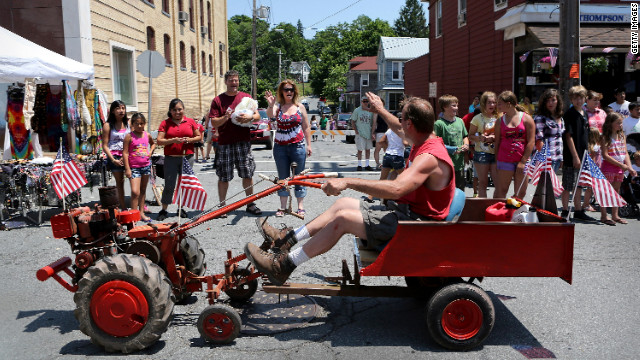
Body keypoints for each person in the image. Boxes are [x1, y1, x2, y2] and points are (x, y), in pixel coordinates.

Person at [245, 93, 455, 286]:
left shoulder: (429, 157)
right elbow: (399, 128)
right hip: (407, 216)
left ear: (410, 123)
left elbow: (397, 188)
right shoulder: (426, 137)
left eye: (402, 120)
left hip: (415, 227)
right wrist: (380, 110)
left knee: (343, 219)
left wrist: (347, 181)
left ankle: (284, 266)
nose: (398, 125)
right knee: (342, 204)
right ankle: (286, 240)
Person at [209, 70, 262, 216]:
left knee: (247, 173)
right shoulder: (218, 100)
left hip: (243, 142)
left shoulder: (246, 97)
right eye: (231, 80)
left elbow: (257, 115)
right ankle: (222, 207)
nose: (234, 83)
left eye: (236, 80)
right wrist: (225, 117)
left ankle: (250, 204)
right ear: (225, 82)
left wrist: (249, 118)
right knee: (224, 176)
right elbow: (214, 121)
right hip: (225, 142)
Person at [264, 80, 312, 217]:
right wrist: (270, 104)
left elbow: (306, 127)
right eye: (286, 90)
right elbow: (269, 114)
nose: (289, 92)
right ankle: (283, 207)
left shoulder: (300, 107)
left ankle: (300, 206)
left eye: (291, 89)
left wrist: (309, 145)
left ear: (294, 91)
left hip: (298, 146)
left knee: (299, 176)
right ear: (282, 92)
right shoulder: (277, 107)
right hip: (280, 147)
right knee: (283, 177)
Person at [156, 98, 201, 221]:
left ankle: (181, 208)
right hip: (171, 158)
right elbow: (159, 141)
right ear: (170, 111)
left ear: (183, 109)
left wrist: (189, 140)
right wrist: (173, 140)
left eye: (180, 109)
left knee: (184, 184)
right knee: (169, 185)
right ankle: (164, 209)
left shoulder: (190, 121)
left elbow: (199, 136)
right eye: (174, 110)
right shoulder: (165, 123)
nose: (177, 112)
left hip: (187, 158)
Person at [493, 91, 535, 199]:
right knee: (501, 192)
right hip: (504, 160)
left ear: (509, 104)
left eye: (499, 103)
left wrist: (523, 161)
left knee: (520, 193)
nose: (498, 106)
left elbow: (531, 142)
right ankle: (499, 214)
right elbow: (497, 142)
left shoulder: (527, 119)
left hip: (522, 160)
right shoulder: (499, 121)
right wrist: (496, 161)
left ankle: (516, 214)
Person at [560, 85, 594, 221]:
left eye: (581, 98)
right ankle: (564, 210)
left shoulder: (584, 113)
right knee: (568, 184)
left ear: (585, 98)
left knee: (579, 184)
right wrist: (575, 156)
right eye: (575, 98)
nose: (578, 101)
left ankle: (578, 210)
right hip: (572, 155)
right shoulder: (570, 114)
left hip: (583, 153)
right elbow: (568, 136)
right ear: (571, 99)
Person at [599, 112, 637, 225]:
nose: (620, 125)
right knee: (606, 192)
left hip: (620, 168)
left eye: (621, 123)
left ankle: (615, 215)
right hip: (608, 167)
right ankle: (604, 215)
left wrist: (629, 167)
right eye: (618, 123)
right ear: (610, 123)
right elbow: (605, 155)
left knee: (616, 192)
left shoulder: (621, 136)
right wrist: (621, 165)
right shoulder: (605, 137)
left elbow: (625, 153)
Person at [123, 113, 156, 222]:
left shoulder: (147, 135)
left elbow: (153, 144)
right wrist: (127, 169)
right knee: (135, 191)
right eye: (137, 124)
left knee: (142, 191)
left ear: (144, 124)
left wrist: (150, 152)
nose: (139, 126)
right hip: (134, 168)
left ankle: (141, 213)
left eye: (141, 123)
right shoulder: (129, 136)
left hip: (145, 166)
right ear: (132, 124)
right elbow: (125, 153)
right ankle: (133, 214)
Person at [435, 94, 469, 190]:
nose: (456, 108)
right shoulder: (439, 124)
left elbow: (465, 136)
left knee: (460, 188)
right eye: (453, 105)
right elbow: (436, 143)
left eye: (457, 105)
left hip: (459, 163)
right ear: (445, 107)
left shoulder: (460, 121)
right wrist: (451, 149)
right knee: (447, 189)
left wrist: (466, 144)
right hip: (445, 164)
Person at [366, 123, 406, 203]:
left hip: (387, 155)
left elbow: (381, 141)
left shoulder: (389, 130)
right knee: (405, 177)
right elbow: (406, 143)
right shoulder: (402, 131)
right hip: (397, 156)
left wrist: (388, 146)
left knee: (382, 179)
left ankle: (371, 196)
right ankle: (402, 198)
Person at [469, 91, 498, 198]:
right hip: (481, 154)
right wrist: (479, 138)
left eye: (494, 102)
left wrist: (494, 138)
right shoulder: (477, 118)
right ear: (483, 104)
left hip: (497, 153)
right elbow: (470, 136)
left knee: (498, 184)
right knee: (483, 183)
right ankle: (483, 208)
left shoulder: (499, 117)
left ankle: (496, 208)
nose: (492, 105)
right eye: (489, 103)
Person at [102, 100, 130, 209]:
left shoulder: (129, 123)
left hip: (127, 155)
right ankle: (123, 207)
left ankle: (138, 205)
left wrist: (125, 156)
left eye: (123, 108)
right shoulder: (108, 125)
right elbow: (105, 145)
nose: (121, 110)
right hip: (115, 156)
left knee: (135, 180)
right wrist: (113, 160)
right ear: (113, 111)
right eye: (118, 108)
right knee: (120, 182)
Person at [533, 88, 565, 172]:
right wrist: (545, 159)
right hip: (546, 158)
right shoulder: (540, 118)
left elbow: (560, 139)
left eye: (553, 100)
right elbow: (539, 140)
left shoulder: (560, 118)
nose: (550, 103)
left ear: (558, 101)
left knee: (550, 184)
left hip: (557, 157)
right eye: (547, 101)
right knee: (545, 184)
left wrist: (561, 158)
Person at [350, 96, 377, 171]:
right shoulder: (357, 110)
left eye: (366, 101)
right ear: (361, 102)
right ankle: (359, 165)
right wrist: (355, 130)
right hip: (360, 133)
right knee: (360, 150)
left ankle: (367, 165)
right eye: (364, 101)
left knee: (368, 149)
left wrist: (372, 133)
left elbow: (372, 122)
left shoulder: (370, 111)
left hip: (368, 132)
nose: (365, 103)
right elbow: (353, 120)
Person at [581, 127, 602, 212]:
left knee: (590, 188)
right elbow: (592, 159)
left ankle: (587, 203)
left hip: (593, 169)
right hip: (594, 169)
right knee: (590, 188)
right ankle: (586, 204)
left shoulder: (589, 145)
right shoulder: (595, 146)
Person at [373, 100, 389, 169]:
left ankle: (382, 164)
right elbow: (374, 123)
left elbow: (374, 123)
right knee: (380, 149)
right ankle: (378, 164)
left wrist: (372, 132)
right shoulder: (384, 112)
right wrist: (373, 132)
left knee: (382, 149)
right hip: (381, 132)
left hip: (384, 133)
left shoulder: (379, 112)